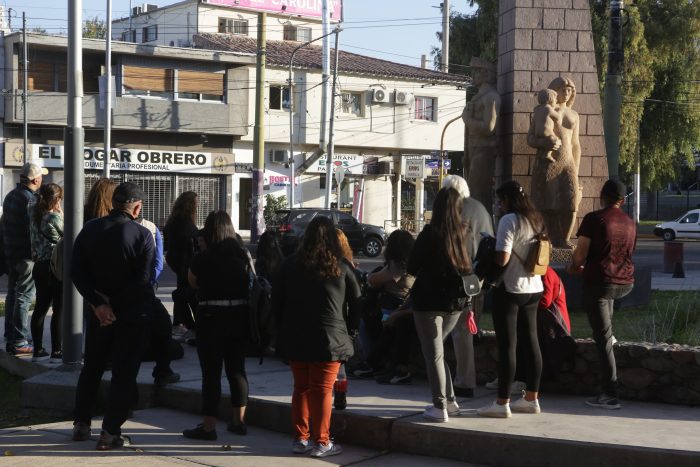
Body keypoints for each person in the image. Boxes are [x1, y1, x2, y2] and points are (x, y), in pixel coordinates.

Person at [71, 182, 156, 450]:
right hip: (130, 315)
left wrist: (99, 304)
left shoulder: (90, 229)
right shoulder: (143, 235)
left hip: (99, 316)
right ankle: (110, 432)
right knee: (123, 371)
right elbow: (143, 281)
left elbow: (76, 271)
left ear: (113, 203)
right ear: (137, 207)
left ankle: (81, 424)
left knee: (92, 367)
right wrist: (115, 306)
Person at [273, 216, 361, 458]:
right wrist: (351, 332)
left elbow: (276, 302)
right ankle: (321, 441)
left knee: (301, 387)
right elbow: (356, 303)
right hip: (330, 339)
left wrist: (281, 331)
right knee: (322, 389)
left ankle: (300, 438)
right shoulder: (342, 267)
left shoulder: (290, 265)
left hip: (296, 337)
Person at [477, 181, 544, 419]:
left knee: (508, 345)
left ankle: (501, 402)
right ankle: (531, 398)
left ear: (507, 200)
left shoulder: (509, 220)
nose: (498, 205)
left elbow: (502, 259)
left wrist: (488, 249)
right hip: (534, 286)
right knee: (532, 342)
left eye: (500, 200)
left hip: (511, 288)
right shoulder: (535, 219)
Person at [182, 210, 251, 440]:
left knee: (211, 374)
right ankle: (239, 421)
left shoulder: (203, 257)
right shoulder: (242, 255)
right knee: (237, 370)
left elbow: (191, 282)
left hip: (210, 317)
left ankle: (209, 426)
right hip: (239, 316)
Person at [567, 180, 635, 410]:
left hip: (600, 284)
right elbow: (624, 254)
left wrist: (575, 268)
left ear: (601, 196)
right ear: (622, 201)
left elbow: (580, 255)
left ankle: (610, 393)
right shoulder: (630, 223)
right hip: (624, 283)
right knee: (607, 333)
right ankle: (609, 383)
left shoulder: (594, 219)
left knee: (603, 339)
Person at [407, 187, 473, 423]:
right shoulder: (464, 233)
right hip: (455, 304)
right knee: (438, 351)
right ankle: (451, 401)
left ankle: (439, 405)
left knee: (433, 353)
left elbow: (412, 267)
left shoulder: (429, 234)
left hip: (428, 302)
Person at [442, 174, 494, 398]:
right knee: (468, 327)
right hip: (479, 276)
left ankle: (464, 381)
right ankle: (463, 378)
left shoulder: (458, 210)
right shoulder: (480, 208)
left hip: (463, 277)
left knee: (460, 331)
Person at [527, 76, 582, 247]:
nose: (566, 93)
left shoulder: (574, 114)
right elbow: (530, 138)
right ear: (554, 91)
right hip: (548, 161)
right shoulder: (543, 110)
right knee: (545, 203)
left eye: (570, 90)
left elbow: (575, 144)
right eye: (562, 89)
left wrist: (576, 167)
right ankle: (549, 238)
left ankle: (565, 238)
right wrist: (544, 142)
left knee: (572, 202)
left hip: (568, 161)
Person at [3, 162, 47, 356]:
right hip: (27, 256)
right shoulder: (31, 200)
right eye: (41, 177)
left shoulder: (11, 195)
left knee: (14, 293)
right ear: (35, 179)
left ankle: (11, 334)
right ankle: (20, 340)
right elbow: (35, 229)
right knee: (24, 296)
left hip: (11, 253)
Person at [366, 229, 416, 385]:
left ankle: (374, 363)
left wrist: (367, 276)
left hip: (395, 307)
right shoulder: (411, 263)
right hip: (405, 306)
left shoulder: (397, 265)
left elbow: (373, 280)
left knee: (385, 323)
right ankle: (385, 365)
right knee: (393, 326)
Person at [135, 215, 181, 387]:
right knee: (162, 326)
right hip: (141, 290)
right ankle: (163, 371)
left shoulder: (97, 227)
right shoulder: (148, 229)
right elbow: (157, 261)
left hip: (113, 293)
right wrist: (151, 281)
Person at [29, 183, 64, 362]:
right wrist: (60, 212)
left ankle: (37, 349)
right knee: (58, 309)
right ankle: (57, 351)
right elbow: (68, 234)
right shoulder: (53, 218)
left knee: (40, 308)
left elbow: (34, 198)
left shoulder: (33, 214)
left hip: (39, 266)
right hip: (54, 265)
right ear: (57, 200)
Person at [462, 57, 500, 213]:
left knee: (478, 194)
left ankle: (482, 229)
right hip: (473, 149)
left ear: (486, 74)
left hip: (484, 149)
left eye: (477, 71)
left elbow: (489, 127)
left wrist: (468, 119)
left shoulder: (491, 97)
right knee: (472, 191)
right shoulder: (478, 97)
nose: (474, 74)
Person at [164, 191, 199, 341]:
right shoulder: (186, 223)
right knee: (189, 295)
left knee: (180, 294)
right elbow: (193, 241)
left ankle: (179, 323)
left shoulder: (173, 221)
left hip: (177, 263)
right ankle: (191, 326)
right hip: (186, 264)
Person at [532, 89, 562, 163]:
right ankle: (547, 154)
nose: (556, 101)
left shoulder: (537, 110)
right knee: (555, 140)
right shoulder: (548, 109)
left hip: (538, 133)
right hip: (547, 132)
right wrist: (560, 111)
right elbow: (557, 117)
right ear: (550, 99)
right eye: (555, 99)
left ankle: (544, 153)